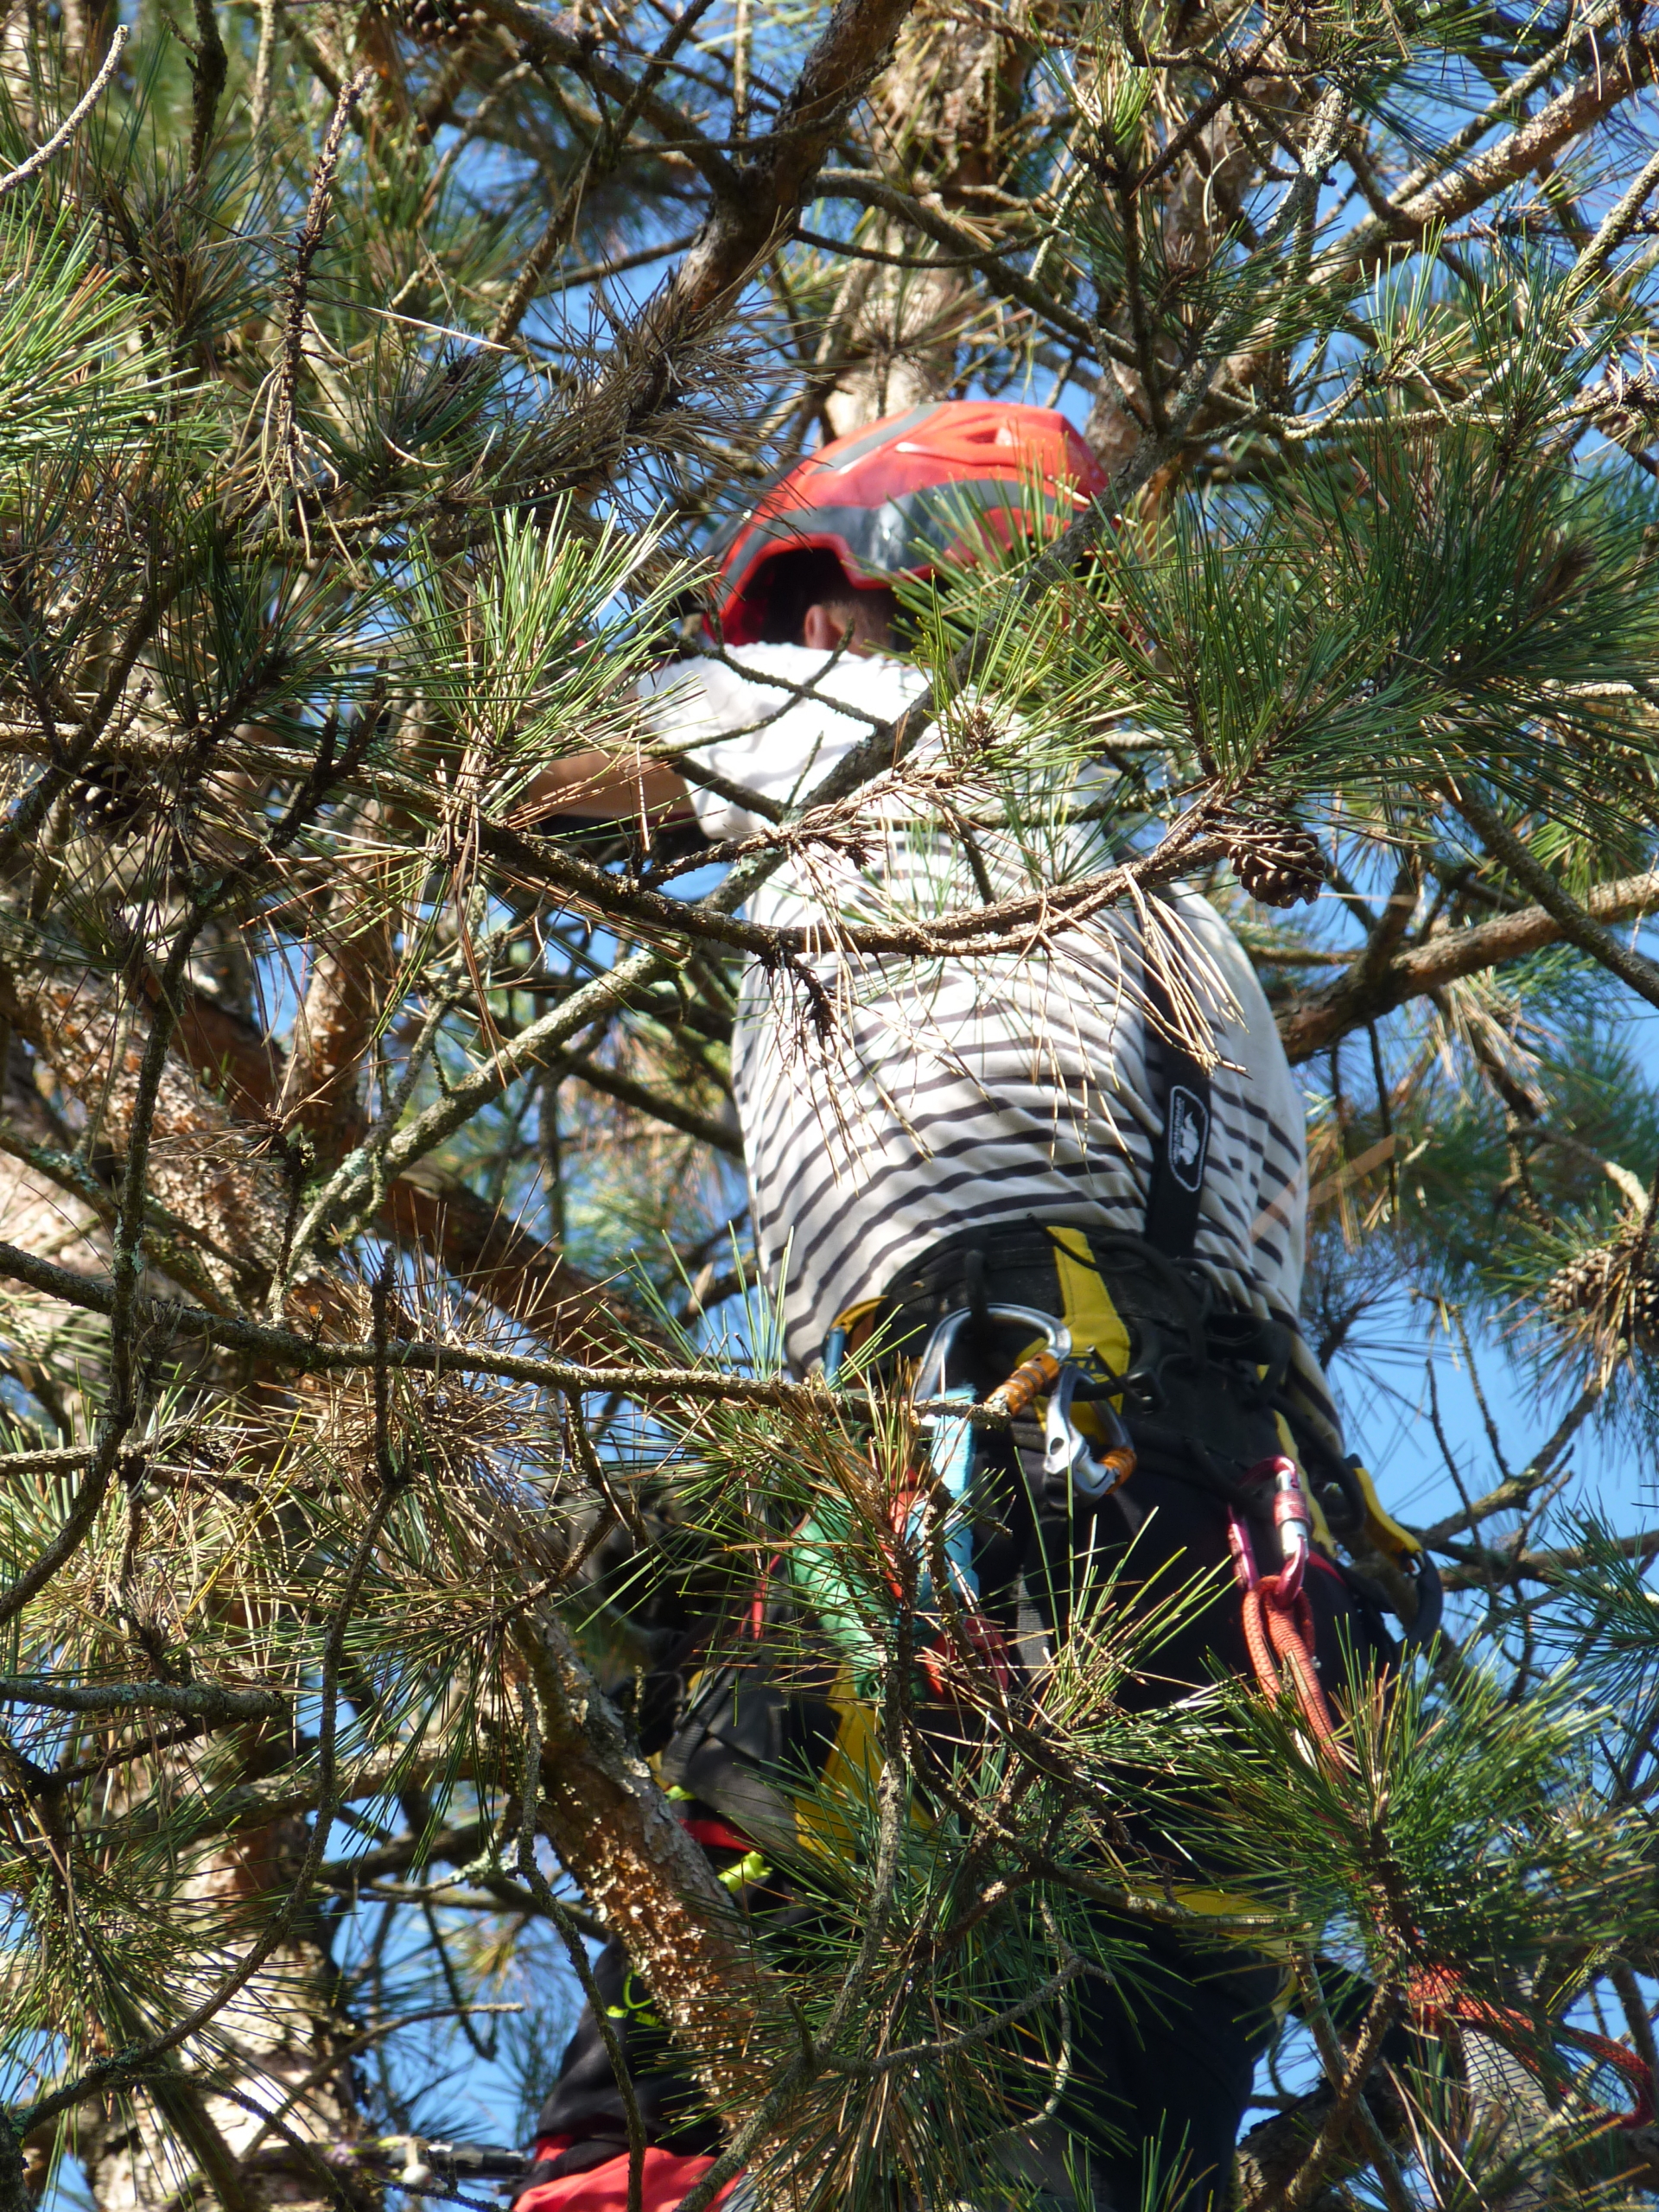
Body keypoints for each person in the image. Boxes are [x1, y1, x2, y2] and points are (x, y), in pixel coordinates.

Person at [512, 401, 1433, 2212]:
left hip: (984, 1454)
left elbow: (526, 764)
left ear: (881, 583)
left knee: (655, 2117)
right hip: (1241, 1546)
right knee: (1110, 2128)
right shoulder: (1166, 895)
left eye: (806, 614)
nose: (792, 654)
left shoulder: (890, 733)